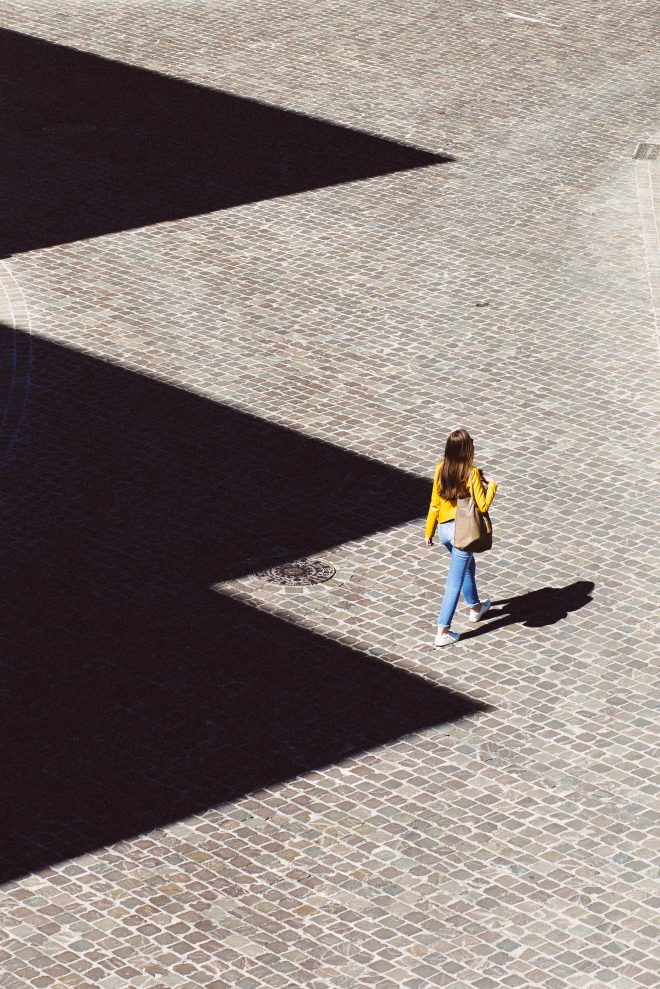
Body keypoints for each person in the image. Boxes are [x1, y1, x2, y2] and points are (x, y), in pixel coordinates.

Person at [425, 428, 497, 646]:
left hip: (445, 531)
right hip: (463, 532)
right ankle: (443, 631)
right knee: (454, 581)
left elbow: (435, 505)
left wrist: (429, 532)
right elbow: (482, 505)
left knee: (467, 566)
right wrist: (492, 485)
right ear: (467, 451)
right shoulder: (471, 473)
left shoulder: (440, 469)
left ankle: (476, 607)